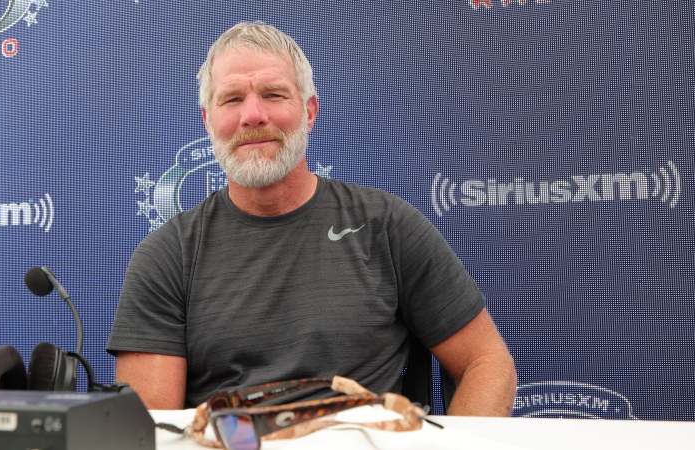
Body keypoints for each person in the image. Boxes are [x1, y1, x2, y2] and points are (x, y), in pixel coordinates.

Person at [107, 21, 517, 416]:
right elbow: (149, 427)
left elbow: (487, 363)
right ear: (208, 119)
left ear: (309, 111)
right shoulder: (167, 256)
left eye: (273, 94)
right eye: (232, 99)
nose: (253, 115)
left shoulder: (387, 226)